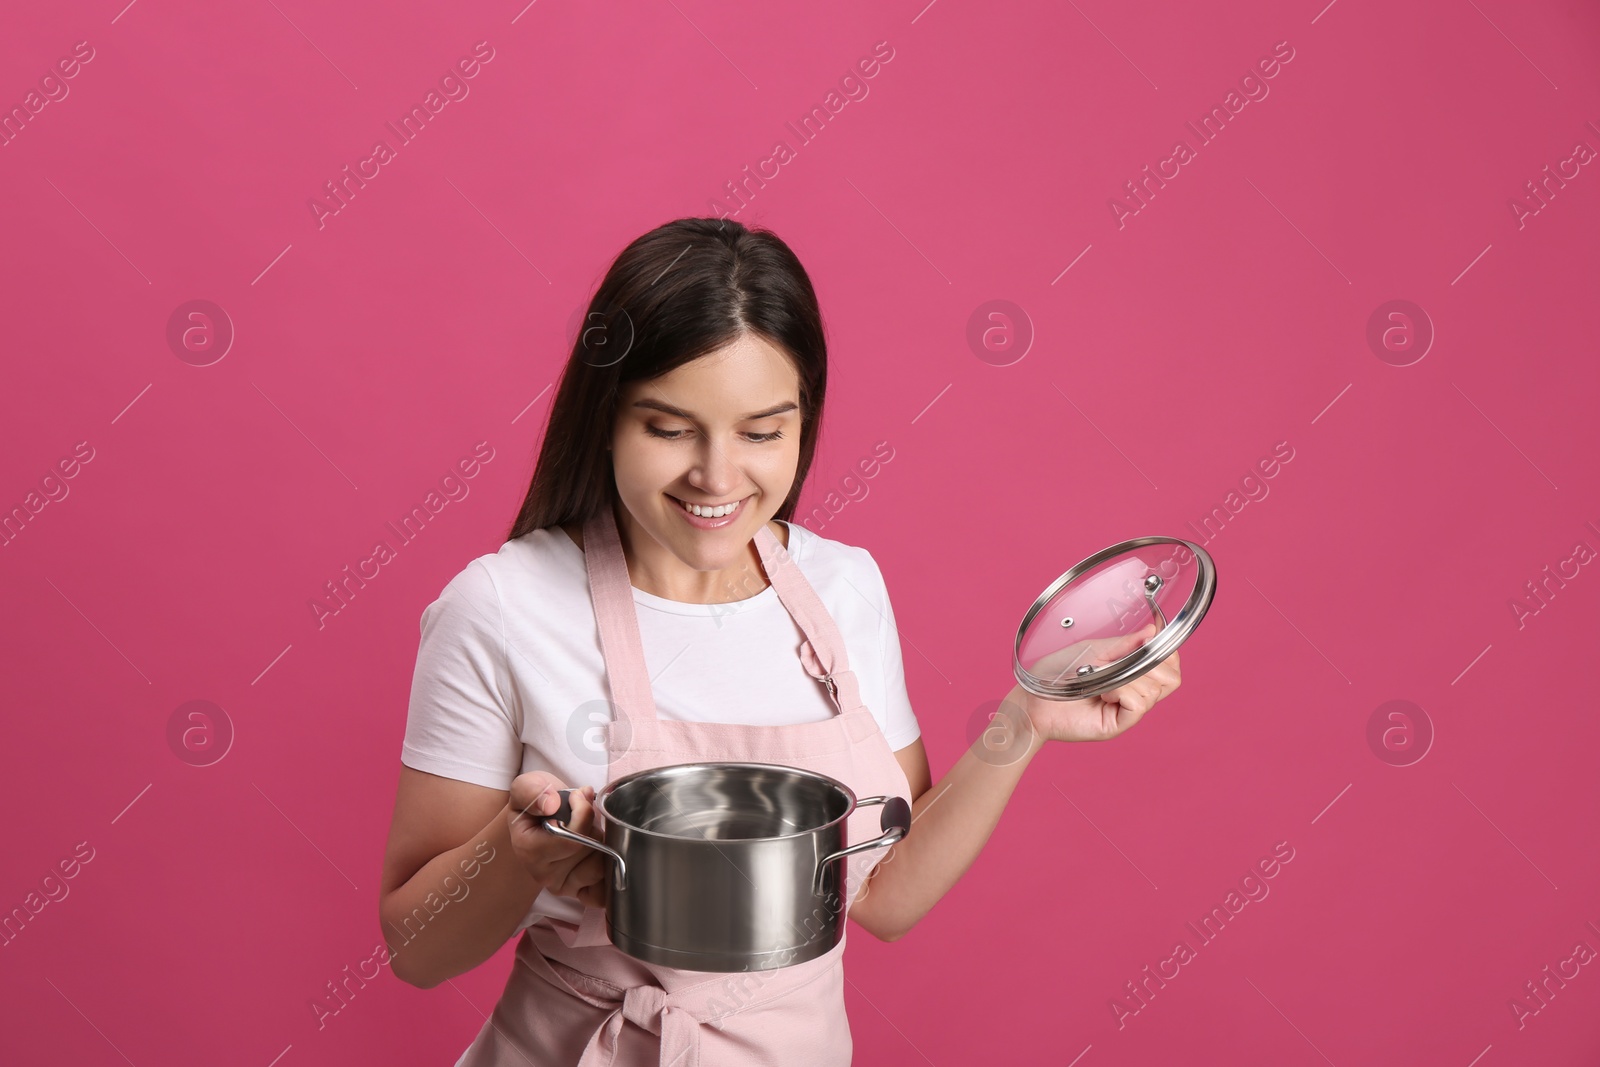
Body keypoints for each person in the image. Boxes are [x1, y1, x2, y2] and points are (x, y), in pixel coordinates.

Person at [377, 217, 1182, 1065]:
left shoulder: (844, 589)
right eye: (668, 427)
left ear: (805, 421)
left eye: (762, 432)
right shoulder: (501, 605)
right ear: (604, 415)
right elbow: (415, 950)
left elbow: (885, 894)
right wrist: (515, 857)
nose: (718, 478)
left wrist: (1029, 715)